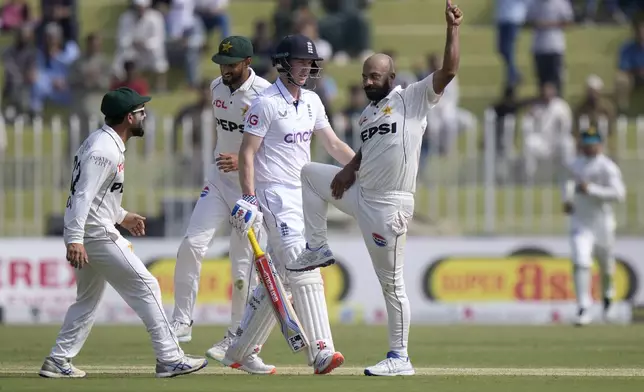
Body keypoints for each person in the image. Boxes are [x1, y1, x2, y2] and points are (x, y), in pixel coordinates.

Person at [285, 1, 463, 376]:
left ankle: (400, 358)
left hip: (389, 208)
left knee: (392, 286)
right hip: (362, 195)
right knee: (310, 173)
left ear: (392, 76)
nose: (368, 81)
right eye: (365, 76)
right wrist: (350, 167)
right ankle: (316, 247)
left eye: (375, 76)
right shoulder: (368, 113)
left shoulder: (412, 99)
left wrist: (452, 29)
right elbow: (372, 147)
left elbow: (448, 70)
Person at [39, 87, 208, 379]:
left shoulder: (106, 143)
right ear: (129, 117)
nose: (146, 116)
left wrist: (122, 215)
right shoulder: (103, 150)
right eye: (142, 112)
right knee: (147, 285)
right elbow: (81, 195)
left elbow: (99, 197)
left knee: (88, 300)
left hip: (94, 229)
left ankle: (58, 359)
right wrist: (75, 239)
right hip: (95, 234)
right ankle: (169, 357)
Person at [226, 34, 356, 374]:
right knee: (303, 265)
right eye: (300, 62)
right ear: (283, 63)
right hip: (274, 195)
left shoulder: (312, 101)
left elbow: (333, 143)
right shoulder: (265, 103)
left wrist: (362, 168)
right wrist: (249, 197)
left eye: (310, 63)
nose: (307, 68)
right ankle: (322, 351)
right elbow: (247, 154)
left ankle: (240, 350)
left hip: (304, 194)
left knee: (282, 279)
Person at [170, 36, 273, 370]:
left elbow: (277, 150)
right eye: (222, 64)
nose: (225, 70)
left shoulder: (265, 95)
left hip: (249, 190)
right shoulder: (216, 88)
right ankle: (181, 321)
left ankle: (238, 342)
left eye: (231, 64)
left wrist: (243, 158)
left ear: (248, 63)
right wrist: (228, 156)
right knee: (191, 244)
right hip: (217, 184)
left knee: (243, 274)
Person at [561, 126, 626, 327]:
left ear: (600, 144)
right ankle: (583, 307)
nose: (589, 149)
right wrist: (567, 200)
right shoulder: (574, 165)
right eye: (586, 145)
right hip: (581, 222)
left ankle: (608, 300)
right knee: (581, 261)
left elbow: (619, 194)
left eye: (593, 145)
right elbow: (566, 186)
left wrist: (592, 190)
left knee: (606, 265)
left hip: (603, 224)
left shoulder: (608, 167)